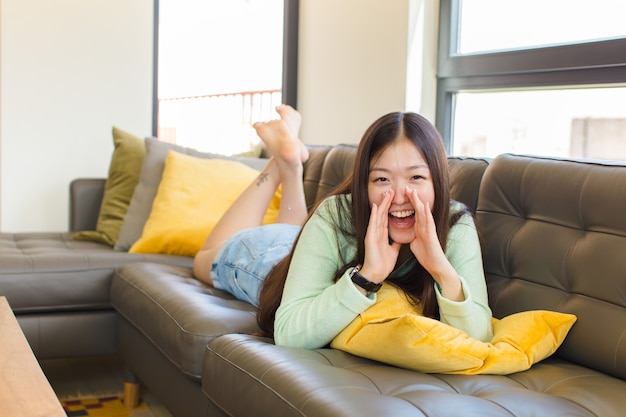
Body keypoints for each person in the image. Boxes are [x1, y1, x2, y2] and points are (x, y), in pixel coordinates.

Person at [194, 105, 493, 350]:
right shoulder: (336, 214)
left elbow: (480, 339)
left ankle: (289, 162)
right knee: (203, 260)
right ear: (364, 185)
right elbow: (288, 333)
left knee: (298, 232)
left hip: (308, 247)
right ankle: (280, 163)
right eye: (382, 179)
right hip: (268, 259)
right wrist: (368, 276)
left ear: (437, 182)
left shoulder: (456, 224)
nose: (400, 196)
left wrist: (441, 267)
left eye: (416, 178)